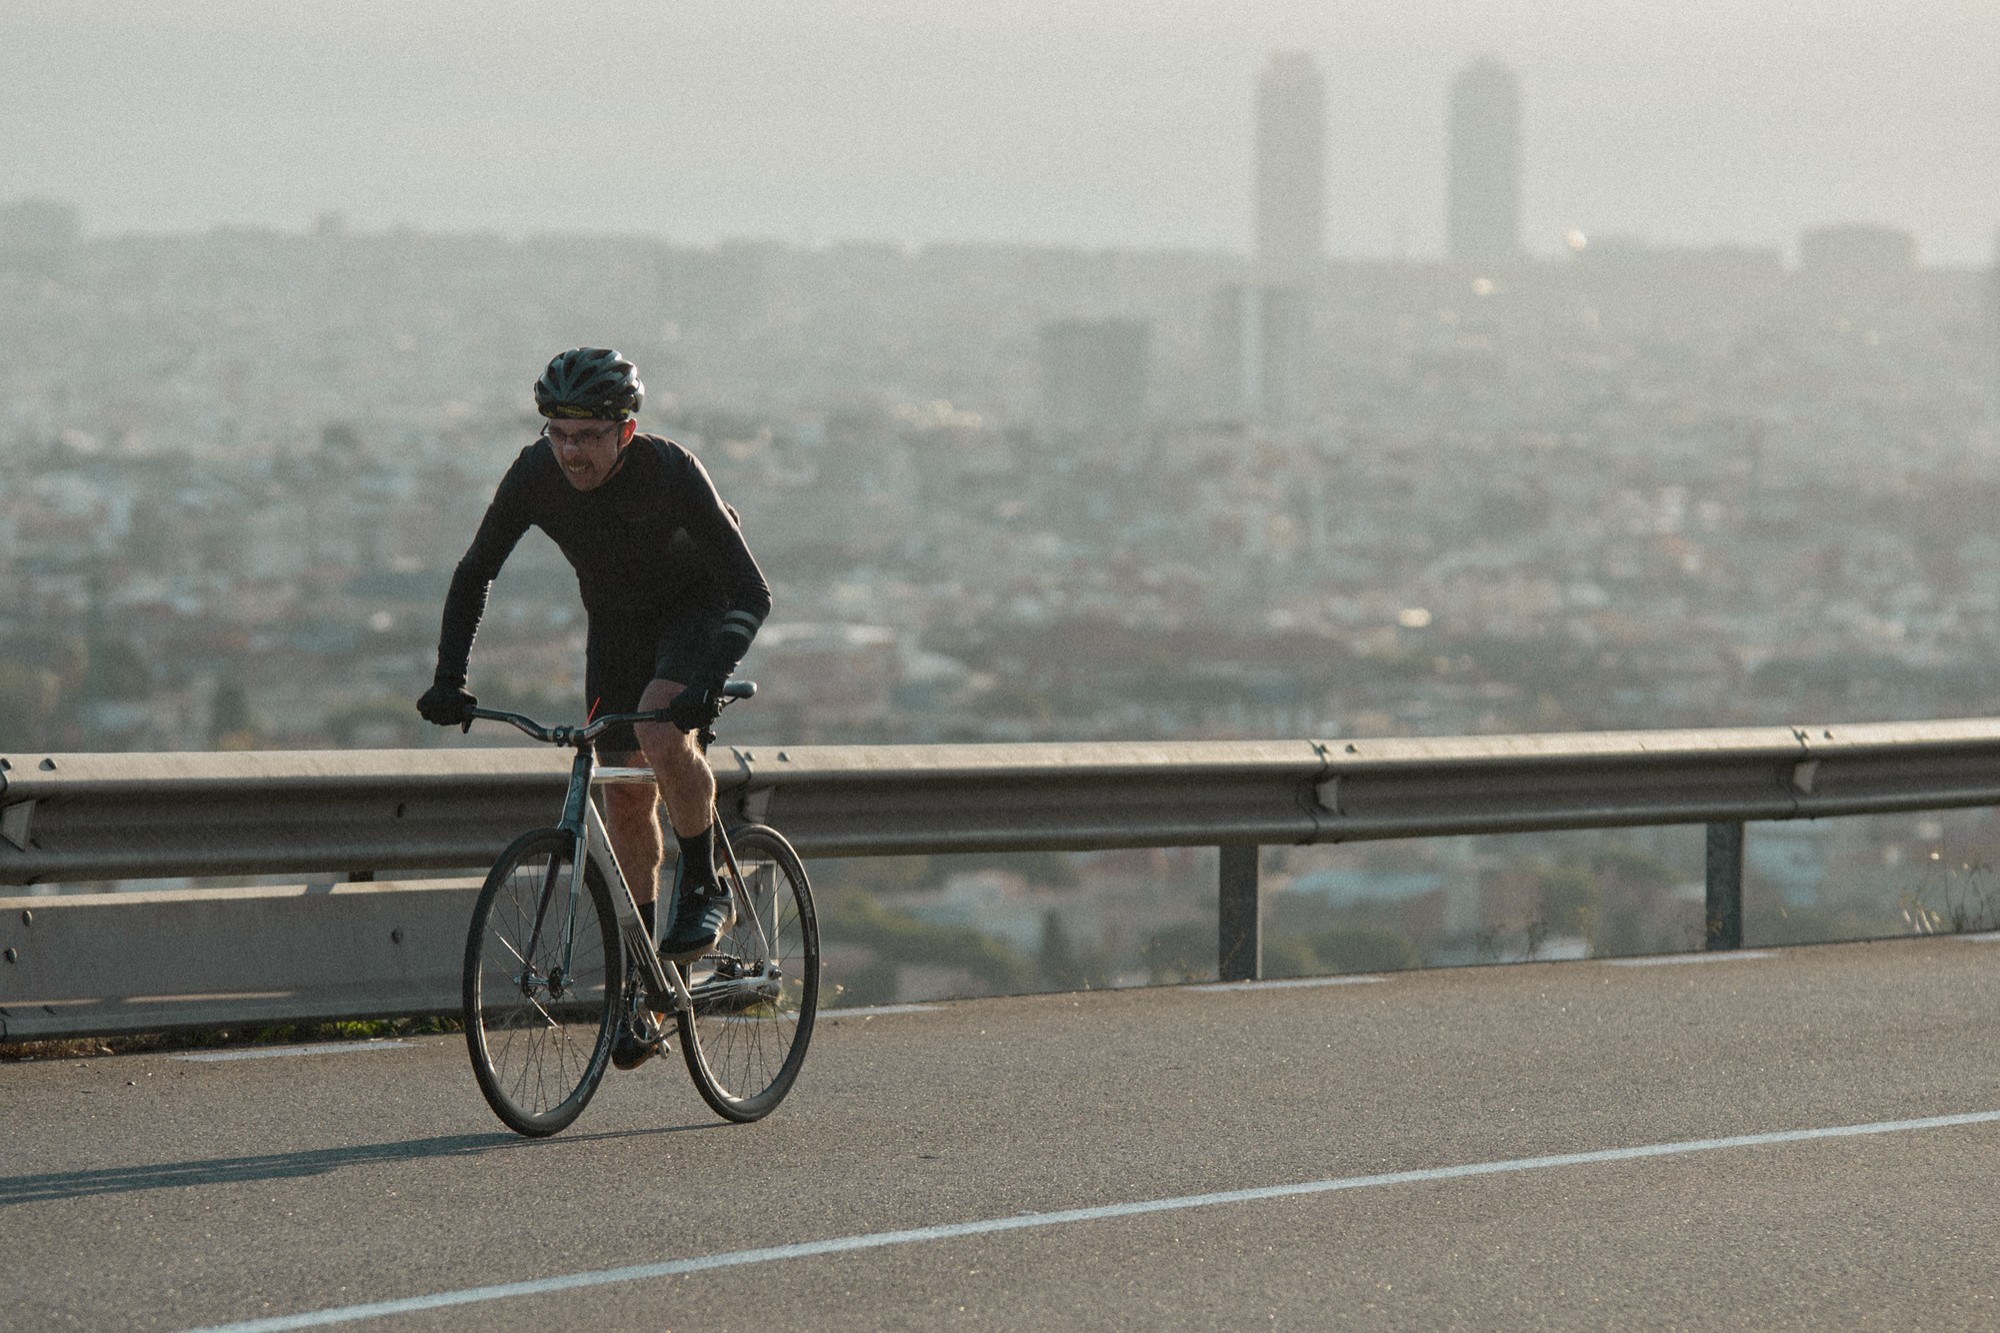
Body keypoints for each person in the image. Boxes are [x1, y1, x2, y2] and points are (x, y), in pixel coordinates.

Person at [417, 347, 769, 1068]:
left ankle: (706, 883)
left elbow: (751, 590)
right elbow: (476, 570)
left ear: (625, 432)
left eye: (587, 435)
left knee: (661, 730)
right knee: (624, 800)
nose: (570, 451)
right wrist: (450, 676)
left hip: (697, 607)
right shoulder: (535, 474)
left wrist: (709, 679)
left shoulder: (670, 471)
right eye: (558, 433)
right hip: (616, 624)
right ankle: (645, 988)